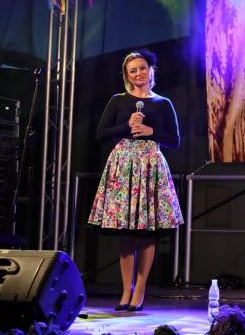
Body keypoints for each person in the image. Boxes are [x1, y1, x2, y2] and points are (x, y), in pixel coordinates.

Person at [88, 49, 183, 312]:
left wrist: (151, 131)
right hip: (123, 166)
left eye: (142, 68)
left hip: (150, 165)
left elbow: (174, 140)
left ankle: (140, 291)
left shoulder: (163, 103)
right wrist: (127, 126)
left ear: (151, 70)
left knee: (146, 232)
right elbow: (101, 134)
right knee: (126, 233)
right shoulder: (118, 100)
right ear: (127, 75)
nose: (138, 73)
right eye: (133, 70)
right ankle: (125, 290)